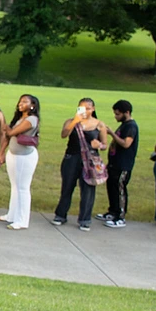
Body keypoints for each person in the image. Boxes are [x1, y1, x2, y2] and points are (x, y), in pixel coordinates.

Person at [52, 98, 108, 231]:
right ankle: (61, 214)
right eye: (82, 108)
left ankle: (85, 219)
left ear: (93, 109)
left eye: (88, 108)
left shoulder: (99, 124)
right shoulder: (71, 121)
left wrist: (99, 145)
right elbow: (64, 134)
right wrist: (75, 122)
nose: (85, 111)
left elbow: (105, 145)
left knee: (88, 189)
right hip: (72, 158)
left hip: (89, 161)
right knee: (67, 186)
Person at [0, 94, 40, 230]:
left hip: (25, 156)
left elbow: (12, 132)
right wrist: (1, 153)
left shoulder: (32, 119)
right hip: (13, 154)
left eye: (25, 102)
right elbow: (7, 138)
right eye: (20, 101)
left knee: (23, 188)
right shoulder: (19, 118)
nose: (21, 103)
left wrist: (7, 129)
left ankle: (22, 220)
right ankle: (12, 215)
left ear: (32, 105)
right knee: (15, 186)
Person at [97, 100, 138, 228]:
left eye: (118, 114)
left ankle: (120, 216)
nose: (116, 117)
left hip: (123, 165)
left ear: (127, 112)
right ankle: (112, 211)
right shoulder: (124, 125)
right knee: (112, 187)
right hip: (114, 164)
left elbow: (126, 143)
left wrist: (111, 134)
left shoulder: (131, 126)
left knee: (120, 189)